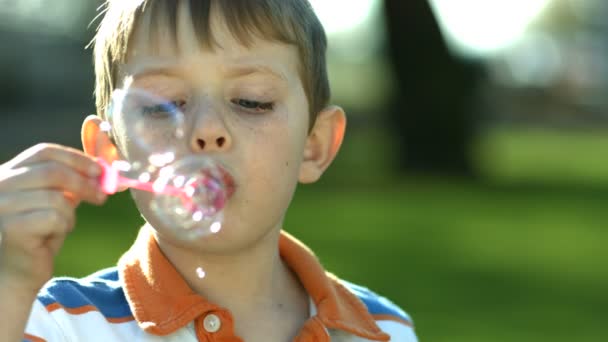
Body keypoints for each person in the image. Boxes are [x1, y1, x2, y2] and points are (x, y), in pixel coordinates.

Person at [0, 0, 417, 341]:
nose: (206, 130)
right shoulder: (52, 325)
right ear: (110, 152)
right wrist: (9, 283)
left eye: (252, 101)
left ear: (314, 145)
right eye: (164, 103)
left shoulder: (382, 329)